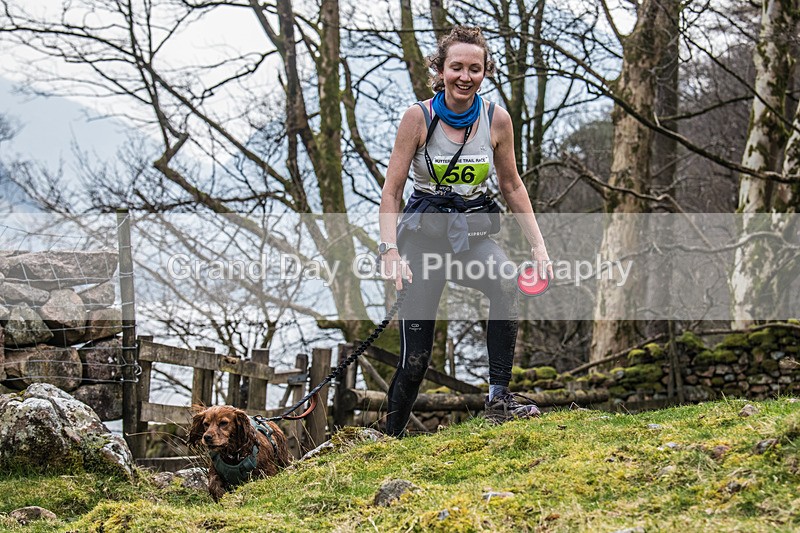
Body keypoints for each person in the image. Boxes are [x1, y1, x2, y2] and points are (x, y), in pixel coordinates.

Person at [378, 26, 553, 437]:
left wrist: (538, 247)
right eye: (456, 67)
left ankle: (498, 398)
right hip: (422, 239)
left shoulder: (497, 120)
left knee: (507, 283)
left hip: (472, 236)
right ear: (440, 70)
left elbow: (511, 186)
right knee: (416, 360)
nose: (464, 76)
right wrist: (390, 250)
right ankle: (387, 438)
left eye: (475, 68)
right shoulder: (418, 118)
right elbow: (392, 191)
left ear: (485, 72)